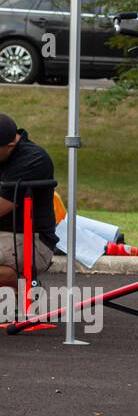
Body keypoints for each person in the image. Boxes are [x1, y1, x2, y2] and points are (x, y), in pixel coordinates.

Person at [0, 113, 57, 292]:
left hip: (32, 240)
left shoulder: (33, 159)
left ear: (10, 145)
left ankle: (23, 286)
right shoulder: (4, 151)